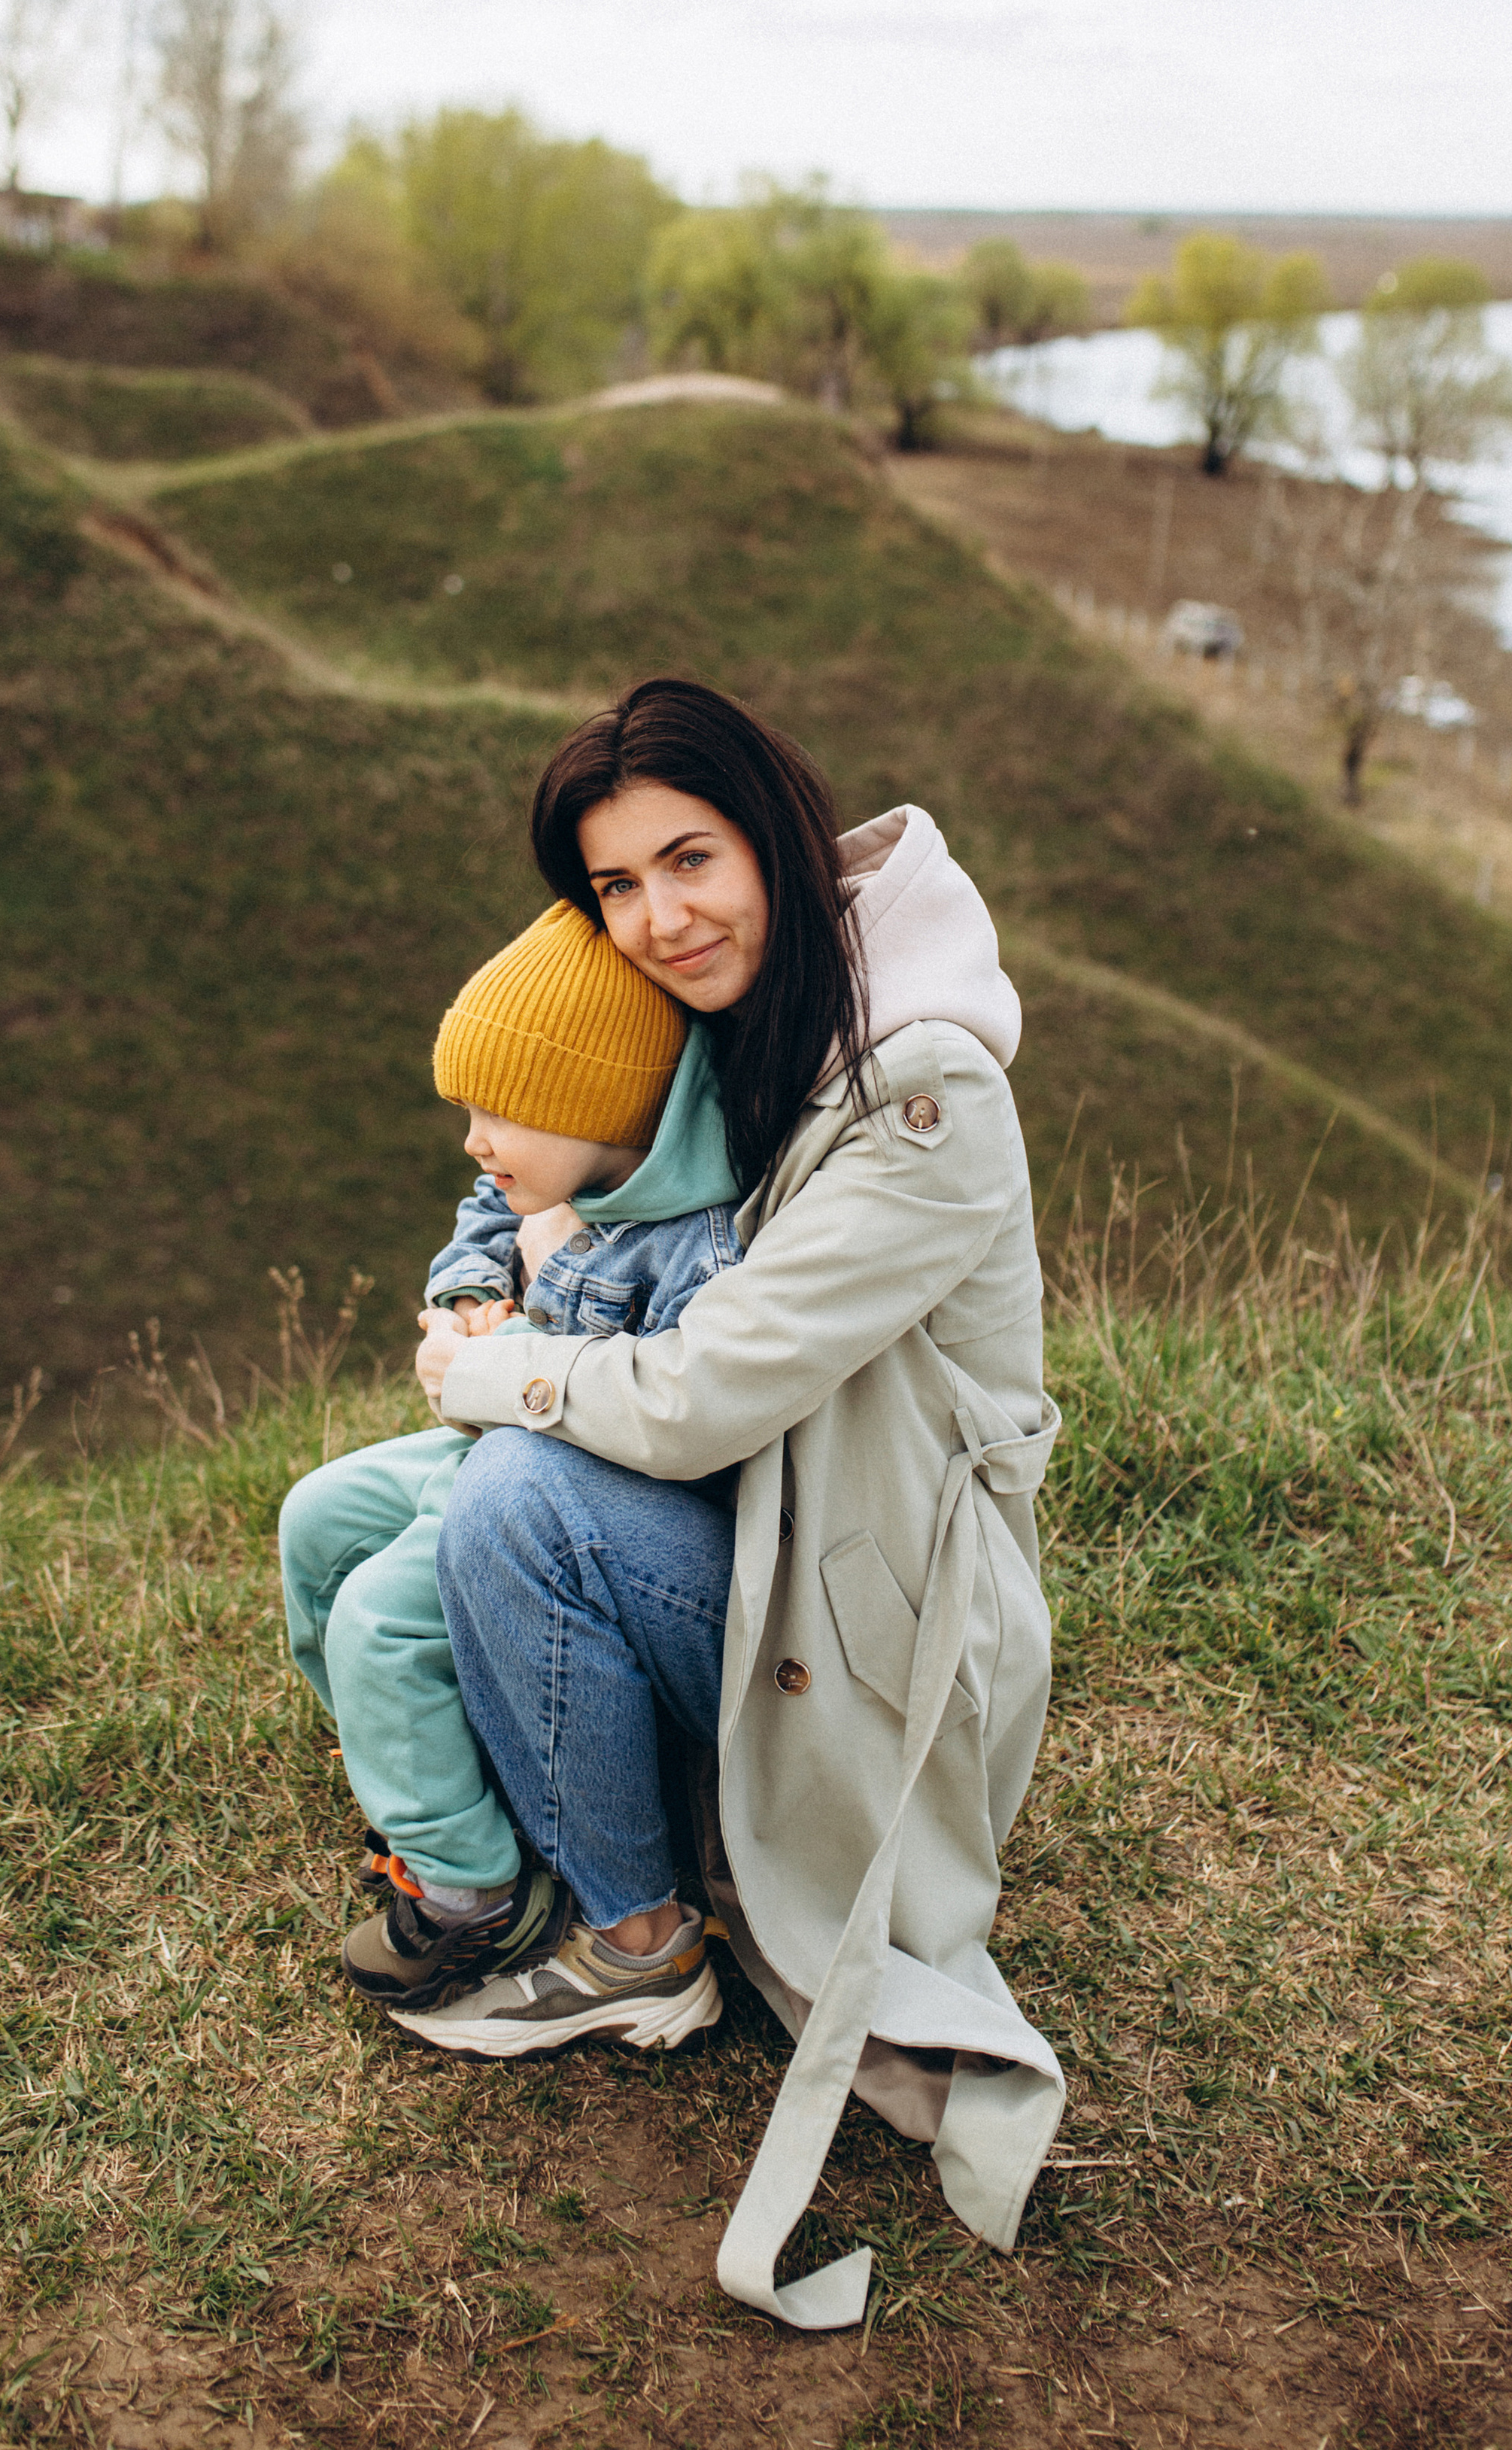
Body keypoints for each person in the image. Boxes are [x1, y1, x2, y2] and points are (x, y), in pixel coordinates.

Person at [399, 677, 1066, 2331]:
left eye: (687, 860)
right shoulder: (761, 1021)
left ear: (771, 833)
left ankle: (637, 1954)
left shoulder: (918, 1091)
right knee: (363, 1517)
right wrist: (518, 1260)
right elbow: (562, 1144)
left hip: (875, 1609)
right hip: (765, 1530)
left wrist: (488, 1371)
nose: (655, 919)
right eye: (615, 886)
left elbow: (705, 1397)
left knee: (511, 1504)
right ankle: (493, 1838)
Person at [278, 895, 744, 2029]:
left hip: (582, 1499)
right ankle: (446, 1792)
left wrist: (535, 1315)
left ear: (603, 1103)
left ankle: (476, 1893)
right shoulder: (551, 1174)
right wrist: (471, 1296)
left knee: (382, 1618)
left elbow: (666, 1417)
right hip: (495, 1443)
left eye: (504, 1110)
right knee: (319, 1519)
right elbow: (485, 1215)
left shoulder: (700, 1241)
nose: (477, 1137)